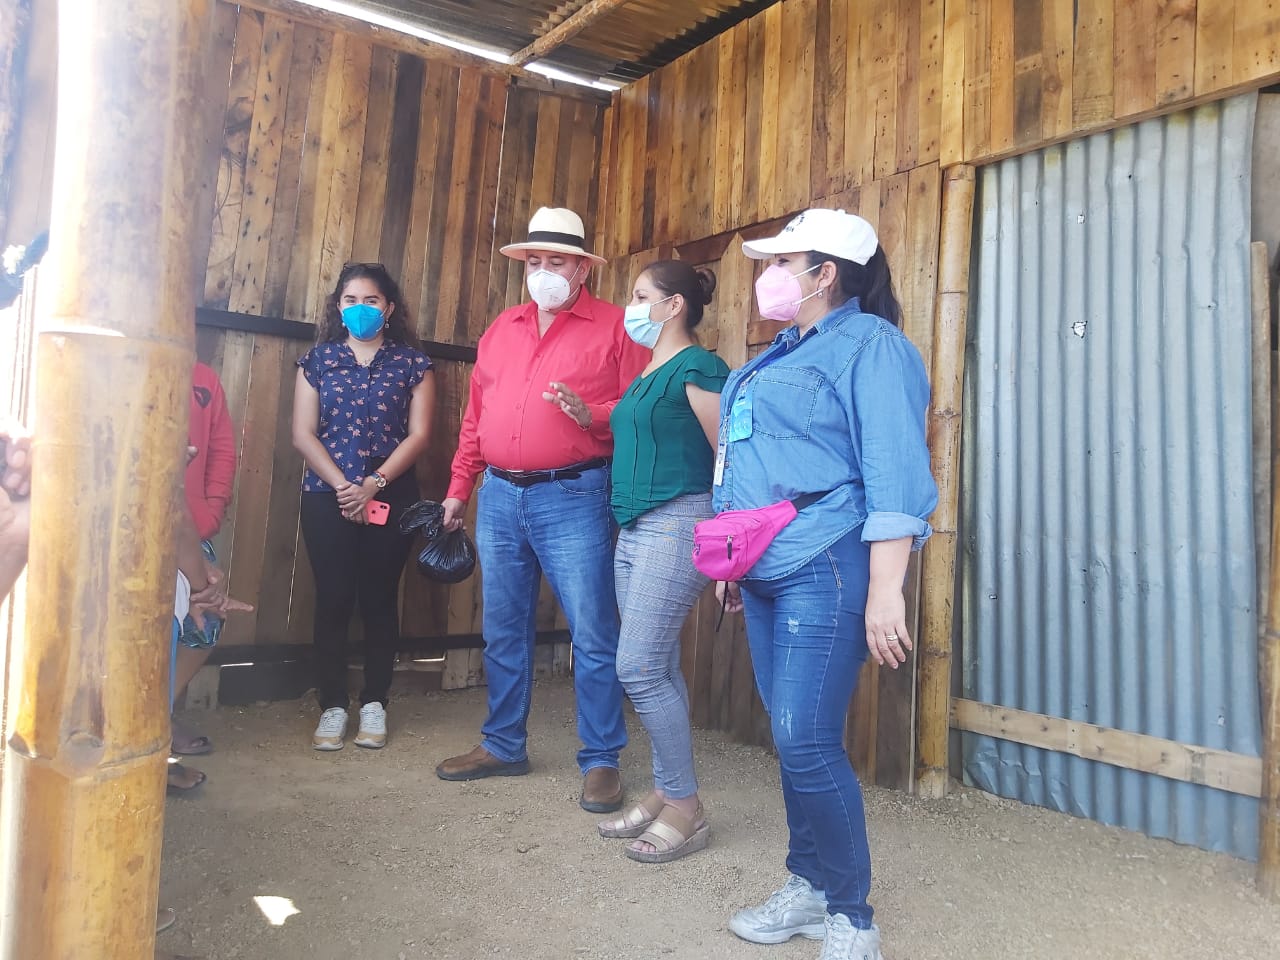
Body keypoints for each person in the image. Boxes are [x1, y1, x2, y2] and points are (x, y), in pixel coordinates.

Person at [714, 209, 937, 960]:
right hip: (764, 565)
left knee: (805, 737)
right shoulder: (779, 352)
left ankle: (852, 916)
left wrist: (886, 590)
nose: (768, 275)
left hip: (826, 559)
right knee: (792, 737)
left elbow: (895, 472)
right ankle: (808, 887)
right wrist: (735, 561)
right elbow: (750, 463)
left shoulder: (874, 346)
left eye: (783, 261)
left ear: (825, 273)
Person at [435, 207, 648, 814]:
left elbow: (641, 408)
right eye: (534, 262)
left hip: (575, 493)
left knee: (592, 631)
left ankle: (602, 759)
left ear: (583, 269)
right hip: (500, 494)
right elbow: (476, 416)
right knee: (503, 627)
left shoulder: (618, 328)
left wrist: (592, 415)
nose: (543, 272)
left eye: (557, 262)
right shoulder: (503, 327)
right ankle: (503, 744)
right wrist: (459, 486)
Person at [595, 260, 728, 862]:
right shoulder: (649, 369)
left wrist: (730, 543)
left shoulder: (700, 367)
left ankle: (686, 808)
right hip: (634, 527)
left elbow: (728, 455)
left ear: (674, 306)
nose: (631, 307)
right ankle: (668, 789)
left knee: (639, 667)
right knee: (660, 665)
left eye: (640, 295)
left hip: (679, 519)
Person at [291, 262, 434, 752]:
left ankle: (375, 701)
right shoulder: (318, 361)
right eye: (351, 300)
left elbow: (419, 435)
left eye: (371, 300)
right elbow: (302, 433)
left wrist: (373, 484)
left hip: (390, 494)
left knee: (379, 598)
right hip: (326, 493)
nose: (360, 309)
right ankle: (332, 705)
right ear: (338, 307)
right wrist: (343, 487)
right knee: (333, 598)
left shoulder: (413, 365)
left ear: (389, 309)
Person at [170, 361, 237, 758]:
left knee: (205, 620)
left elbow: (222, 451)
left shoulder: (204, 378)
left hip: (189, 526)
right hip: (122, 529)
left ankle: (156, 718)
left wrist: (210, 512)